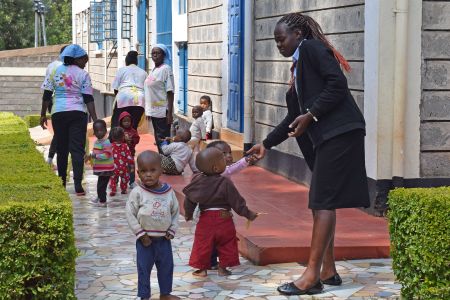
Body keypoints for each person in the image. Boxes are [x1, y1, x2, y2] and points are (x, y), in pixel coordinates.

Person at [247, 13, 370, 296]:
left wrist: (312, 115)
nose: (278, 45)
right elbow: (294, 116)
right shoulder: (299, 67)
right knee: (322, 202)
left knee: (322, 200)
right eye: (275, 40)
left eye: (281, 39)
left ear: (298, 35)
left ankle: (312, 276)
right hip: (329, 137)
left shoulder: (313, 49)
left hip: (340, 133)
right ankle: (327, 270)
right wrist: (266, 143)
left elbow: (337, 85)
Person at [183, 148, 259, 277]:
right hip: (224, 219)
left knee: (202, 243)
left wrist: (188, 214)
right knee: (227, 243)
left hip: (206, 219)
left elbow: (190, 199)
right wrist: (248, 214)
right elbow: (237, 202)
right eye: (222, 159)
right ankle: (223, 268)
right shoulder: (225, 182)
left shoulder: (197, 181)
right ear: (216, 168)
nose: (226, 160)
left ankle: (202, 269)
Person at [40, 44, 98, 195]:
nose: (85, 62)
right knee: (77, 150)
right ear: (76, 58)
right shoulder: (83, 74)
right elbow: (88, 98)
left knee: (62, 149)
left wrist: (42, 115)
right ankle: (78, 185)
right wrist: (96, 119)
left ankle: (62, 183)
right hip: (77, 113)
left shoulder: (54, 71)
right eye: (84, 59)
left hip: (58, 113)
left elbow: (46, 95)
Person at [126, 150, 180, 300]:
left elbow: (175, 212)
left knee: (166, 267)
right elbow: (130, 214)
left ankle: (165, 293)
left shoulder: (168, 192)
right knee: (144, 269)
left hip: (164, 240)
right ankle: (143, 295)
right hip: (145, 241)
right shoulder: (137, 192)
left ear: (161, 171)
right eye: (143, 171)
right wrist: (140, 233)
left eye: (152, 170)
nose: (148, 174)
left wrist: (172, 229)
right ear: (138, 172)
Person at [144, 44, 175, 153]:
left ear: (163, 55)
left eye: (158, 53)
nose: (155, 55)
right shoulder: (154, 70)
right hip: (154, 111)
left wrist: (169, 113)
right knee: (158, 137)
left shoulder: (166, 69)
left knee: (163, 138)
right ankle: (163, 160)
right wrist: (148, 111)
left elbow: (170, 92)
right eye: (153, 53)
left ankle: (166, 162)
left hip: (163, 111)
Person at [111, 50, 148, 131]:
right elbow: (147, 89)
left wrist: (119, 98)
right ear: (136, 61)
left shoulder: (121, 70)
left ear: (126, 61)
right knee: (133, 126)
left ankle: (116, 140)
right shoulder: (144, 72)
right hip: (139, 100)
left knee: (117, 124)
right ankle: (131, 142)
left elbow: (115, 88)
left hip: (123, 98)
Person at [44, 45, 67, 166]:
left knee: (58, 132)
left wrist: (43, 112)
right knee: (62, 133)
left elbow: (47, 89)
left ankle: (51, 157)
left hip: (53, 103)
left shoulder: (51, 65)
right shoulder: (66, 67)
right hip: (61, 102)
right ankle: (54, 157)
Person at [87, 120, 114, 207]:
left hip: (106, 169)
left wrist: (95, 156)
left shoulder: (106, 142)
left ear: (106, 130)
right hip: (101, 168)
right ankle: (100, 197)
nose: (99, 132)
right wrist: (91, 157)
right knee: (100, 185)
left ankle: (103, 201)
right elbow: (95, 152)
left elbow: (107, 155)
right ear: (94, 132)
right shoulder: (97, 142)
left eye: (101, 130)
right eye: (97, 131)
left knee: (101, 186)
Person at [109, 127, 134, 196]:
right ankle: (123, 189)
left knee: (113, 179)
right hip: (124, 168)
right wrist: (132, 166)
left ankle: (113, 190)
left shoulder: (111, 146)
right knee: (124, 179)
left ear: (113, 137)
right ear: (123, 137)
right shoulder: (125, 146)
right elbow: (129, 157)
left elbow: (108, 156)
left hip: (114, 168)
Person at [119, 111, 140, 187]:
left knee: (131, 167)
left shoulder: (133, 131)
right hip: (120, 154)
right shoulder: (119, 131)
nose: (127, 123)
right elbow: (115, 139)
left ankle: (132, 182)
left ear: (131, 122)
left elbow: (137, 139)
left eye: (128, 121)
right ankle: (118, 181)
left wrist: (132, 140)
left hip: (130, 153)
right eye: (124, 121)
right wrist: (124, 139)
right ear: (121, 122)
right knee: (120, 168)